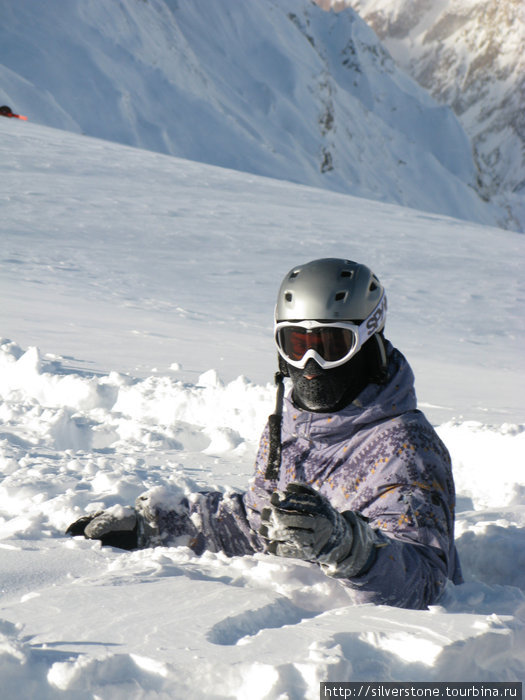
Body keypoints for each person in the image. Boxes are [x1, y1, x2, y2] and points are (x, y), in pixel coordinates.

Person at [67, 258, 463, 609]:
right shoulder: (291, 428)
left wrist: (346, 546)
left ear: (368, 341)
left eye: (331, 344)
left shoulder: (406, 448)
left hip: (359, 657)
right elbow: (256, 524)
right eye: (296, 344)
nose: (310, 364)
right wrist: (155, 525)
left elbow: (424, 583)